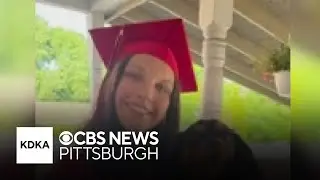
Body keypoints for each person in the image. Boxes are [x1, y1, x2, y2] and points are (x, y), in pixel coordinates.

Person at [44, 18, 262, 180]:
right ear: (112, 82)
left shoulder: (180, 157)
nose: (146, 95)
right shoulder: (71, 155)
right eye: (134, 75)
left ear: (171, 103)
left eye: (162, 88)